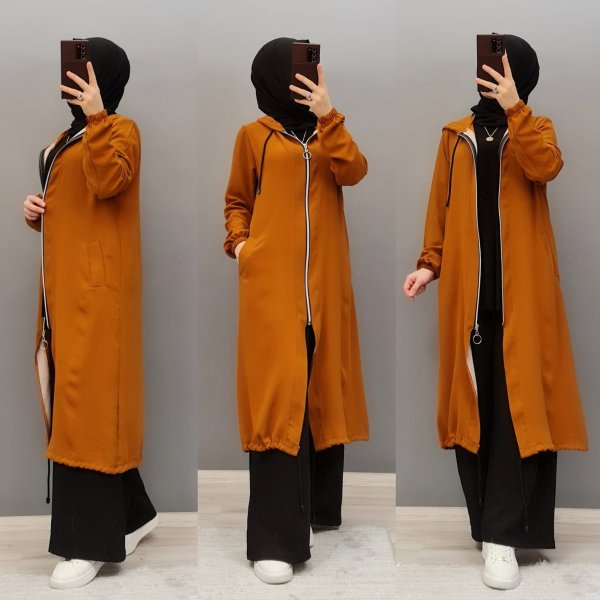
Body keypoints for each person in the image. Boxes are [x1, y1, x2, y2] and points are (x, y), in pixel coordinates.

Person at [403, 34, 587, 590]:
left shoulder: (536, 128)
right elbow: (440, 206)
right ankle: (488, 528)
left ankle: (505, 538)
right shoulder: (454, 136)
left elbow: (545, 168)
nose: (491, 77)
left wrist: (515, 108)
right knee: (477, 414)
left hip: (523, 300)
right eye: (487, 69)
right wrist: (429, 264)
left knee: (517, 413)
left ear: (520, 75)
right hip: (469, 302)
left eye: (503, 70)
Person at [223, 37, 370, 584]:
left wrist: (329, 114)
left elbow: (354, 171)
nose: (304, 80)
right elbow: (236, 201)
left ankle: (319, 510)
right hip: (271, 290)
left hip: (325, 289)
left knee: (322, 389)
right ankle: (275, 539)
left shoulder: (330, 134)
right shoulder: (253, 136)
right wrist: (243, 246)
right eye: (293, 72)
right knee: (277, 401)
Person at [23, 37, 157, 590]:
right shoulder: (64, 139)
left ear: (107, 80)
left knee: (90, 410)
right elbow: (77, 202)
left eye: (87, 71)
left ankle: (89, 543)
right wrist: (38, 211)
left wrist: (99, 115)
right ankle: (135, 515)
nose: (74, 79)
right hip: (62, 292)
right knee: (77, 403)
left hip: (99, 296)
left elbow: (108, 182)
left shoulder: (120, 129)